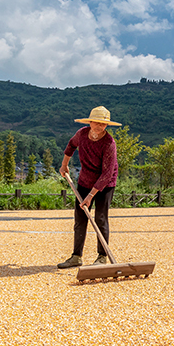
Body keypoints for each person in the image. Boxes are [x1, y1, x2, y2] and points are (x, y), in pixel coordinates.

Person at [56, 106, 121, 269]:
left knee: (100, 218)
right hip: (85, 179)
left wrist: (91, 196)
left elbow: (107, 174)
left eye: (103, 124)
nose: (100, 127)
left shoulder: (109, 143)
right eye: (97, 123)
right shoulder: (82, 134)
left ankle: (102, 256)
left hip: (105, 184)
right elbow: (71, 146)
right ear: (90, 122)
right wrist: (64, 165)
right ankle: (76, 256)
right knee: (80, 217)